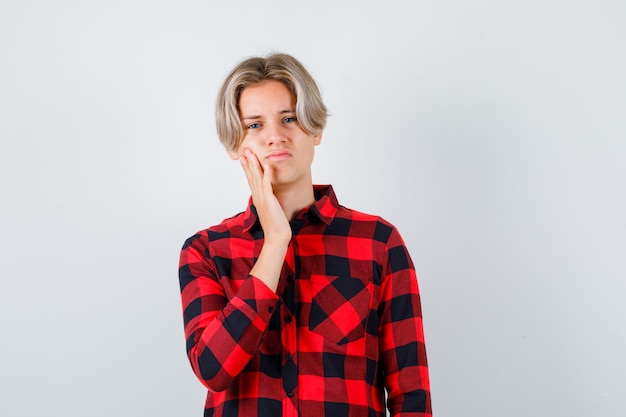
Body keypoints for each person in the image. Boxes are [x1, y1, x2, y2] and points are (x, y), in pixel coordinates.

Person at [178, 52, 432, 417]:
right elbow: (213, 369)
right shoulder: (205, 251)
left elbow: (412, 396)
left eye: (289, 118)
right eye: (254, 125)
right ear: (235, 146)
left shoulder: (379, 242)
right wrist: (276, 241)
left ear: (316, 130)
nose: (275, 137)